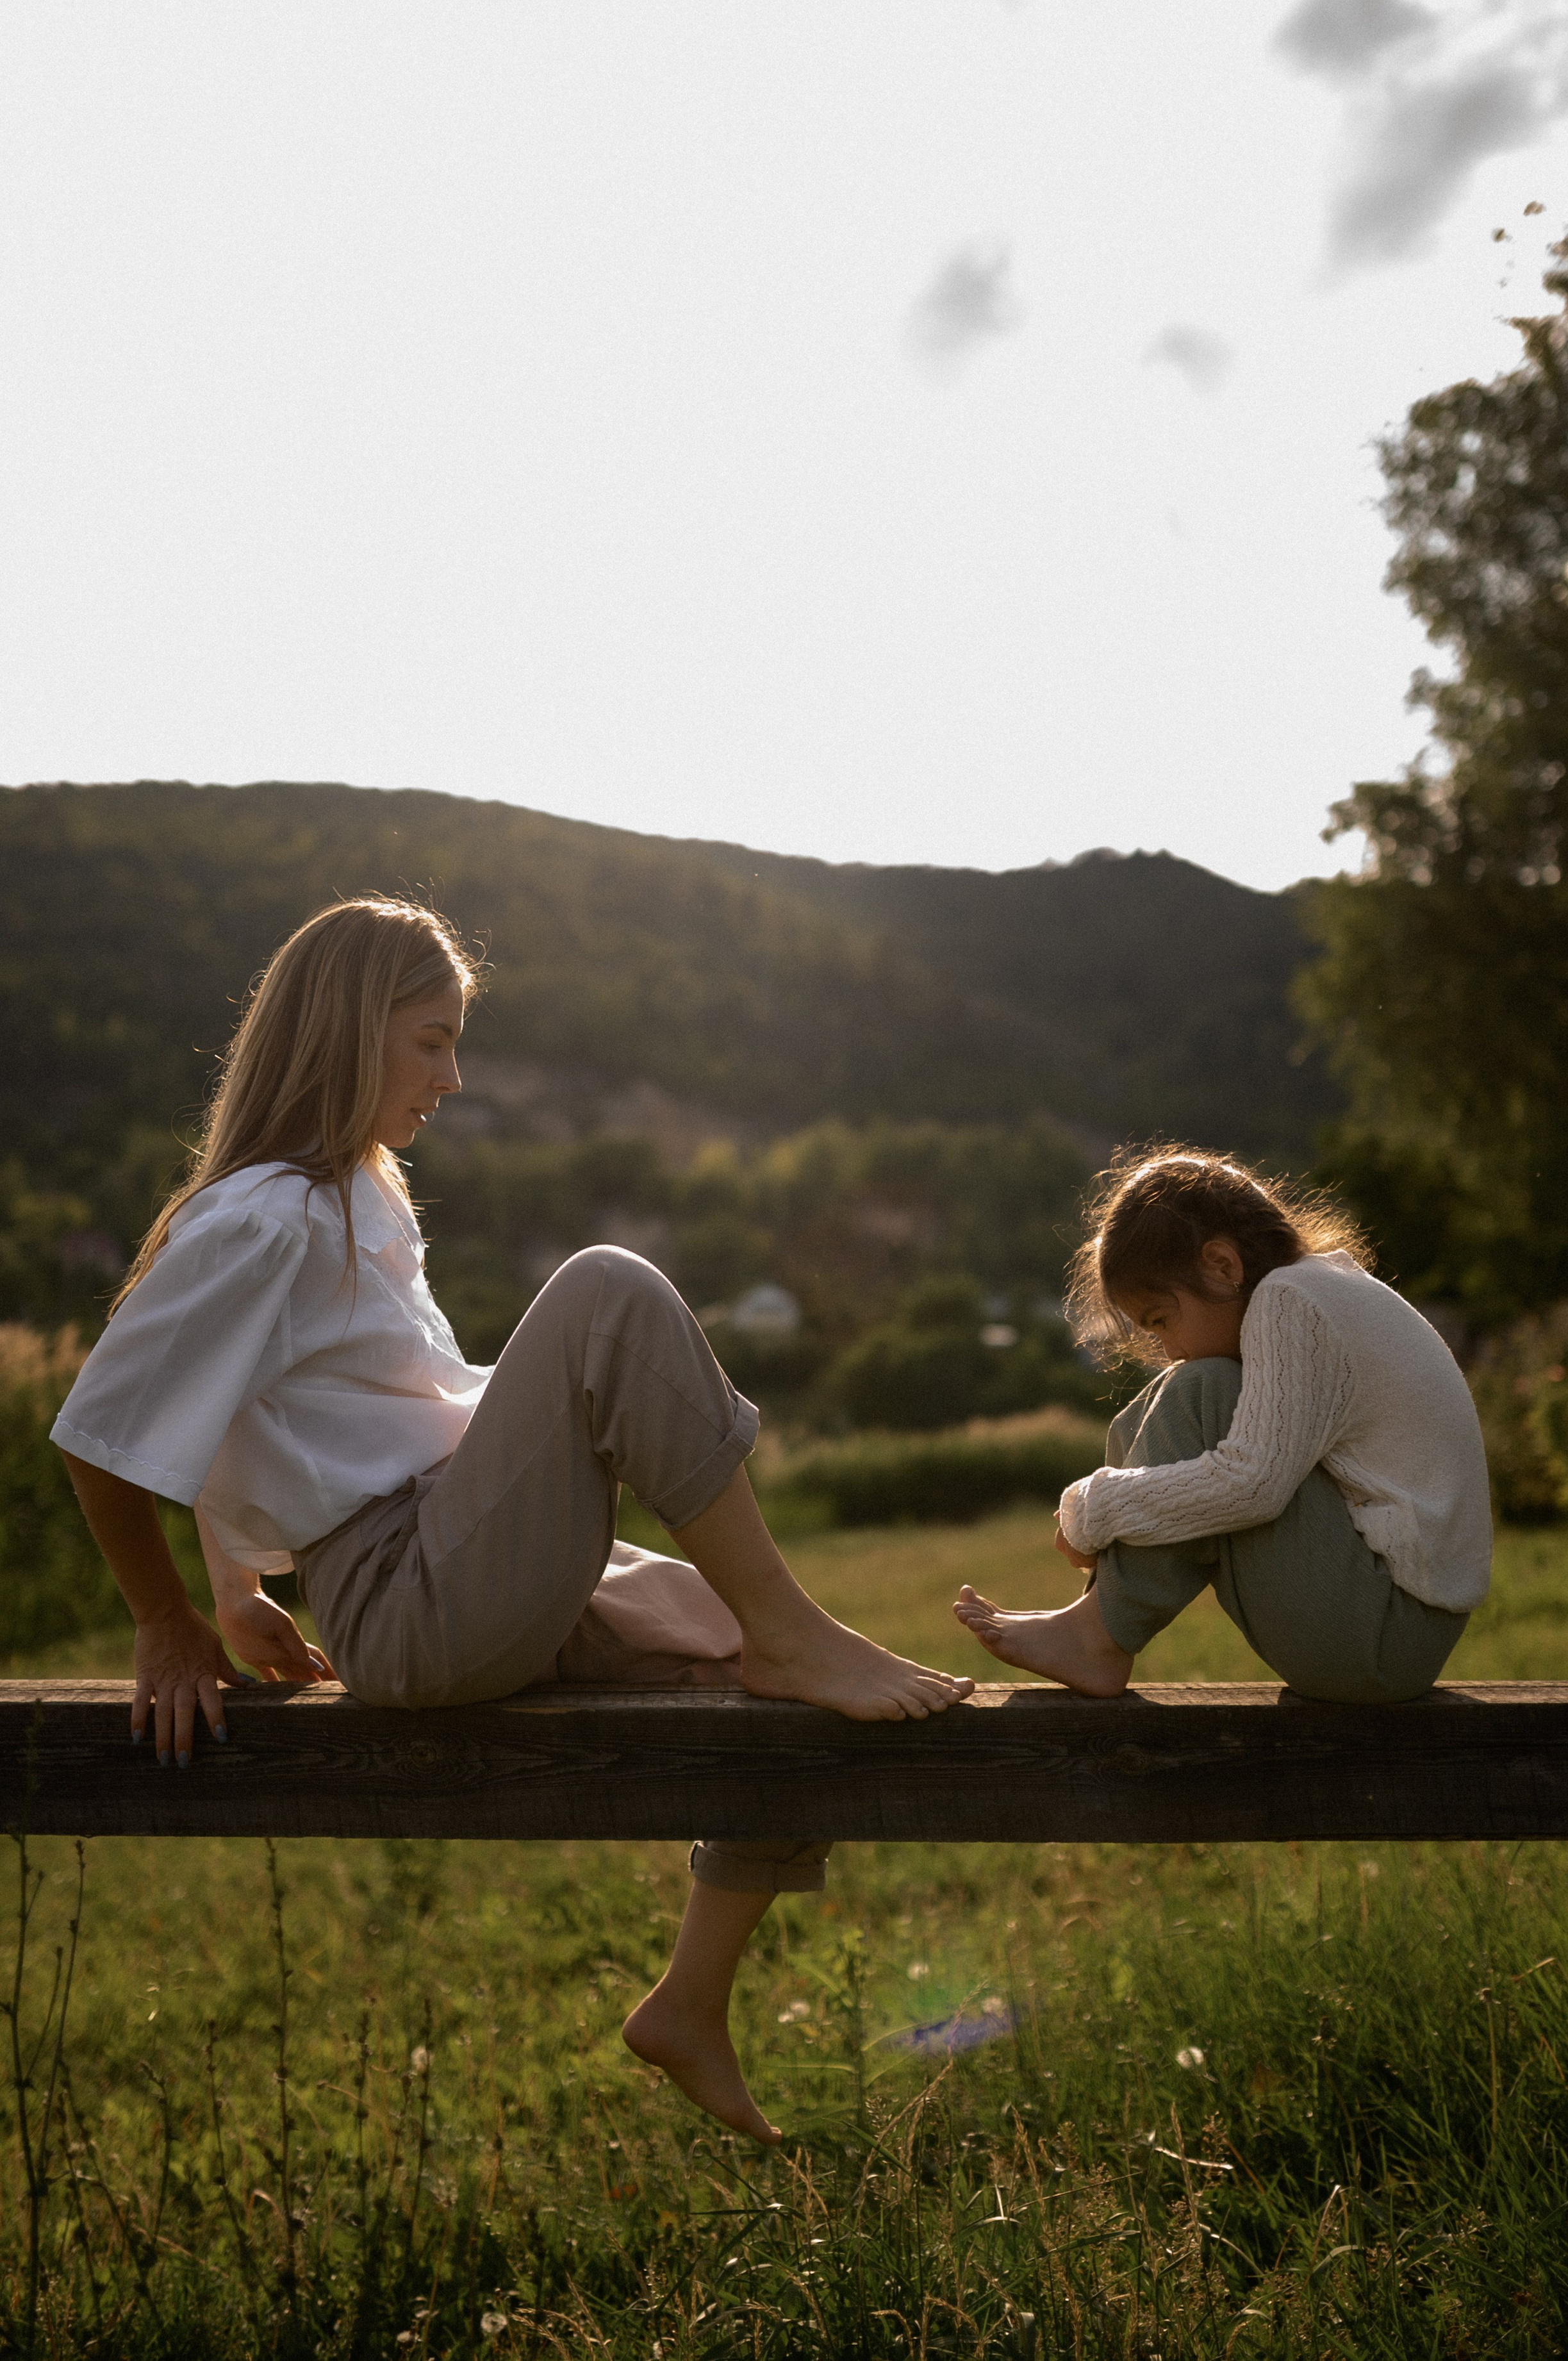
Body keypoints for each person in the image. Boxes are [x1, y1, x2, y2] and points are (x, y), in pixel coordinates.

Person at [51, 896, 973, 2147]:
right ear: (345, 1029)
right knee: (606, 1290)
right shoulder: (261, 1213)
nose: (453, 1074)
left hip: (458, 1546)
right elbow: (107, 1428)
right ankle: (788, 1628)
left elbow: (259, 1401)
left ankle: (688, 2002)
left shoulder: (362, 1191)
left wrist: (232, 1587)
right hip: (410, 1594)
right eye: (430, 1040)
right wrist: (168, 1622)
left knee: (746, 1648)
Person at [955, 1148, 1491, 1704]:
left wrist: (1091, 1507)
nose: (1168, 1348)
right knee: (1149, 1408)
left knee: (1200, 1391)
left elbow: (1253, 1486)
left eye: (1162, 1321)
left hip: (1383, 1632)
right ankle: (1096, 1621)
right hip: (1393, 1630)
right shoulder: (1320, 1288)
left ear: (1222, 1266)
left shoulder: (1289, 1299)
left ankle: (1097, 1637)